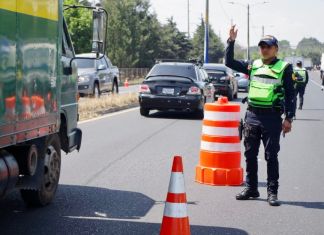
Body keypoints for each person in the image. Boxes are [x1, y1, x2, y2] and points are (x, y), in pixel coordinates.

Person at [225, 25, 295, 206]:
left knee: (271, 156)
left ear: (275, 49)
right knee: (250, 154)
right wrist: (231, 41)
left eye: (268, 46)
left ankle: (272, 192)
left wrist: (289, 118)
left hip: (272, 118)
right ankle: (251, 188)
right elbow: (229, 62)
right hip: (252, 116)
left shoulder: (284, 68)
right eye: (262, 46)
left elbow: (290, 94)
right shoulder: (253, 65)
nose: (264, 49)